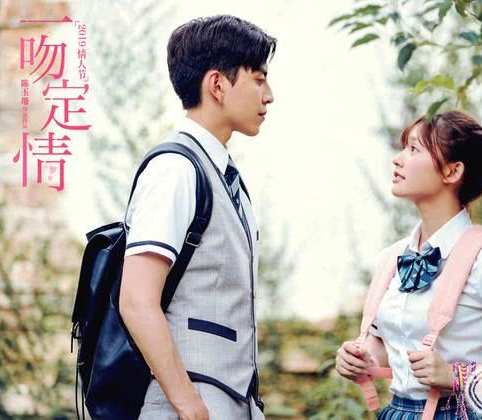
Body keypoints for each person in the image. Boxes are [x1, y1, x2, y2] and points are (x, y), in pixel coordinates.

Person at [335, 110, 482, 419]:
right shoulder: (392, 259)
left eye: (414, 149)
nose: (398, 159)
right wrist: (362, 359)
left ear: (452, 171)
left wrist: (459, 376)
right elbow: (390, 345)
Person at [118, 15, 275, 420]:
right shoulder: (175, 169)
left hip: (232, 399)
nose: (269, 96)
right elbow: (136, 300)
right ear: (217, 85)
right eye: (259, 80)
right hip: (188, 402)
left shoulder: (223, 174)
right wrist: (189, 404)